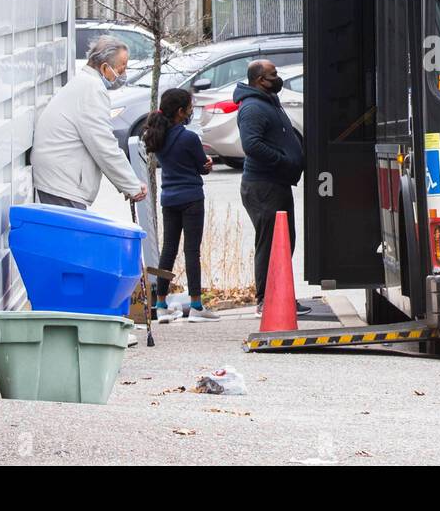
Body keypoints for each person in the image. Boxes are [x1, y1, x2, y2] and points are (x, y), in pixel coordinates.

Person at [32, 35, 146, 209]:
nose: (123, 74)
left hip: (58, 178)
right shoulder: (92, 90)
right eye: (121, 68)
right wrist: (131, 186)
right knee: (71, 235)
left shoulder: (84, 83)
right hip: (63, 183)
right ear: (105, 67)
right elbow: (103, 144)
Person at [234, 59, 308, 316]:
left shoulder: (268, 101)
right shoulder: (253, 108)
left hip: (278, 183)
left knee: (285, 242)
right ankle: (265, 301)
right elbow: (251, 145)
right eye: (273, 74)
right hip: (263, 186)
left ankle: (282, 296)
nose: (278, 78)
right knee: (270, 243)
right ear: (259, 80)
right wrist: (283, 160)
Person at [142, 88, 219, 323]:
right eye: (189, 108)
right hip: (192, 198)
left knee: (168, 250)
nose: (190, 112)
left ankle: (161, 304)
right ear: (180, 111)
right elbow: (199, 166)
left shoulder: (158, 136)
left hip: (169, 198)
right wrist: (206, 165)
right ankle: (196, 305)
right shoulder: (188, 137)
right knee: (191, 251)